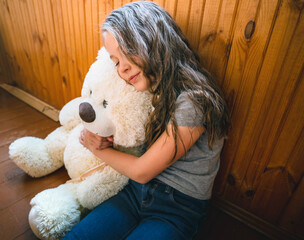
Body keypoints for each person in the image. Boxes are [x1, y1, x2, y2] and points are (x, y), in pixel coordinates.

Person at [63, 1, 229, 239]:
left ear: (154, 39)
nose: (122, 69)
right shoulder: (149, 88)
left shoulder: (195, 100)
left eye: (128, 52)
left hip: (176, 208)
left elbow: (142, 171)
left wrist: (96, 149)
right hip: (134, 193)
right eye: (116, 61)